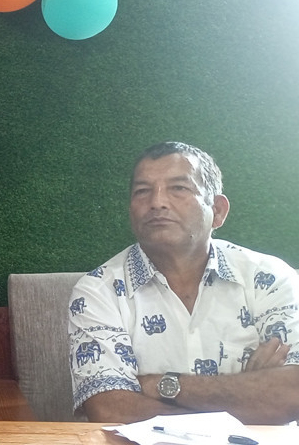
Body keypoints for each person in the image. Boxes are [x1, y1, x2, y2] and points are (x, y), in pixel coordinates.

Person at [69, 141, 299, 424]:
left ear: (217, 210)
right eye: (143, 191)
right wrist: (251, 393)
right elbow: (110, 410)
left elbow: (292, 394)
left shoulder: (269, 277)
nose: (157, 202)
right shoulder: (98, 291)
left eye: (178, 188)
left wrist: (160, 385)